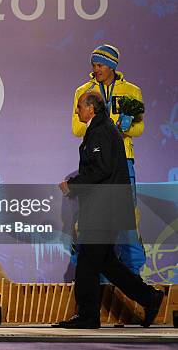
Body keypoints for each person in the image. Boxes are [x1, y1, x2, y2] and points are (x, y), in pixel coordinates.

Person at [57, 91, 163, 329]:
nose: (77, 111)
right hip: (108, 207)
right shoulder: (101, 129)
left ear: (91, 108)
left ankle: (87, 316)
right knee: (105, 261)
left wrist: (72, 185)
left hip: (104, 209)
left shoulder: (101, 131)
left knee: (86, 261)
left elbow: (101, 169)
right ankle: (149, 297)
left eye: (79, 106)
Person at [71, 44, 145, 274]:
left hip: (124, 161)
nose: (96, 69)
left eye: (100, 64)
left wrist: (126, 127)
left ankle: (133, 273)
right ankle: (92, 274)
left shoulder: (132, 90)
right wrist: (103, 125)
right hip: (96, 159)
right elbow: (76, 128)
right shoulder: (84, 91)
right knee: (93, 220)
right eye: (94, 65)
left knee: (126, 219)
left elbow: (140, 128)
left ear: (113, 66)